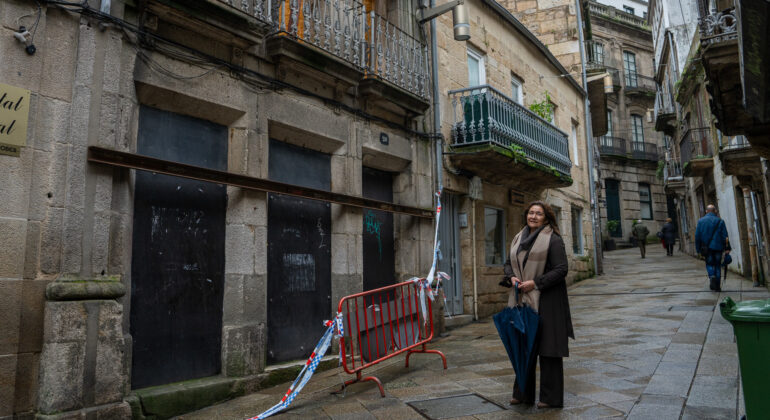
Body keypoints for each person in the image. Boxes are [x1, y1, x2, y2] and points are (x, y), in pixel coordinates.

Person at [502, 201, 573, 408]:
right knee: (523, 347)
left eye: (538, 213)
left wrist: (536, 283)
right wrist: (512, 278)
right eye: (531, 213)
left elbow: (561, 269)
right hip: (522, 300)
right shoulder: (518, 238)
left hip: (548, 300)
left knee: (548, 348)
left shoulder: (553, 239)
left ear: (546, 217)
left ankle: (550, 398)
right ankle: (522, 394)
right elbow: (508, 264)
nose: (533, 216)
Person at [695, 204, 730, 291]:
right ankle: (717, 286)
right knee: (717, 265)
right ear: (715, 211)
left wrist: (698, 249)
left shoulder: (700, 221)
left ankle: (712, 276)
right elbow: (725, 236)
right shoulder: (720, 221)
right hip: (718, 247)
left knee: (709, 263)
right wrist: (727, 248)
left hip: (706, 248)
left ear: (706, 211)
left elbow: (697, 236)